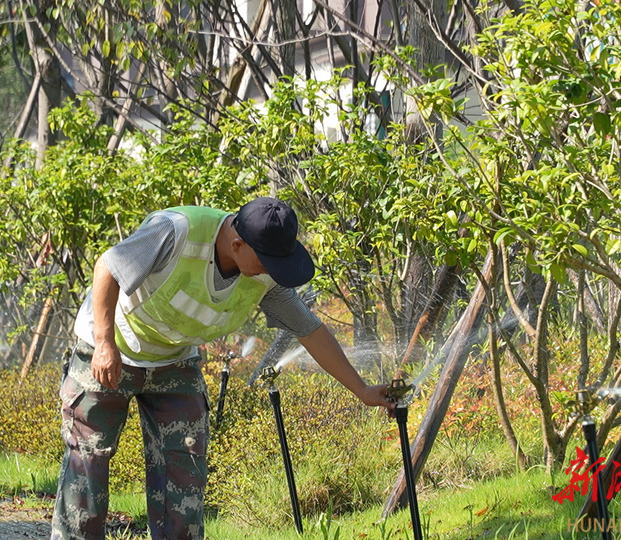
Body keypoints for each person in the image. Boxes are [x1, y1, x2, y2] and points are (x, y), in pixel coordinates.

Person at [51, 197, 393, 540]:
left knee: (184, 472)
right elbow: (107, 267)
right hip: (112, 345)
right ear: (237, 244)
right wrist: (105, 341)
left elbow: (310, 330)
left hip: (175, 359)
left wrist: (362, 391)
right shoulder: (176, 230)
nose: (272, 271)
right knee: (88, 462)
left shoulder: (264, 279)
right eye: (267, 261)